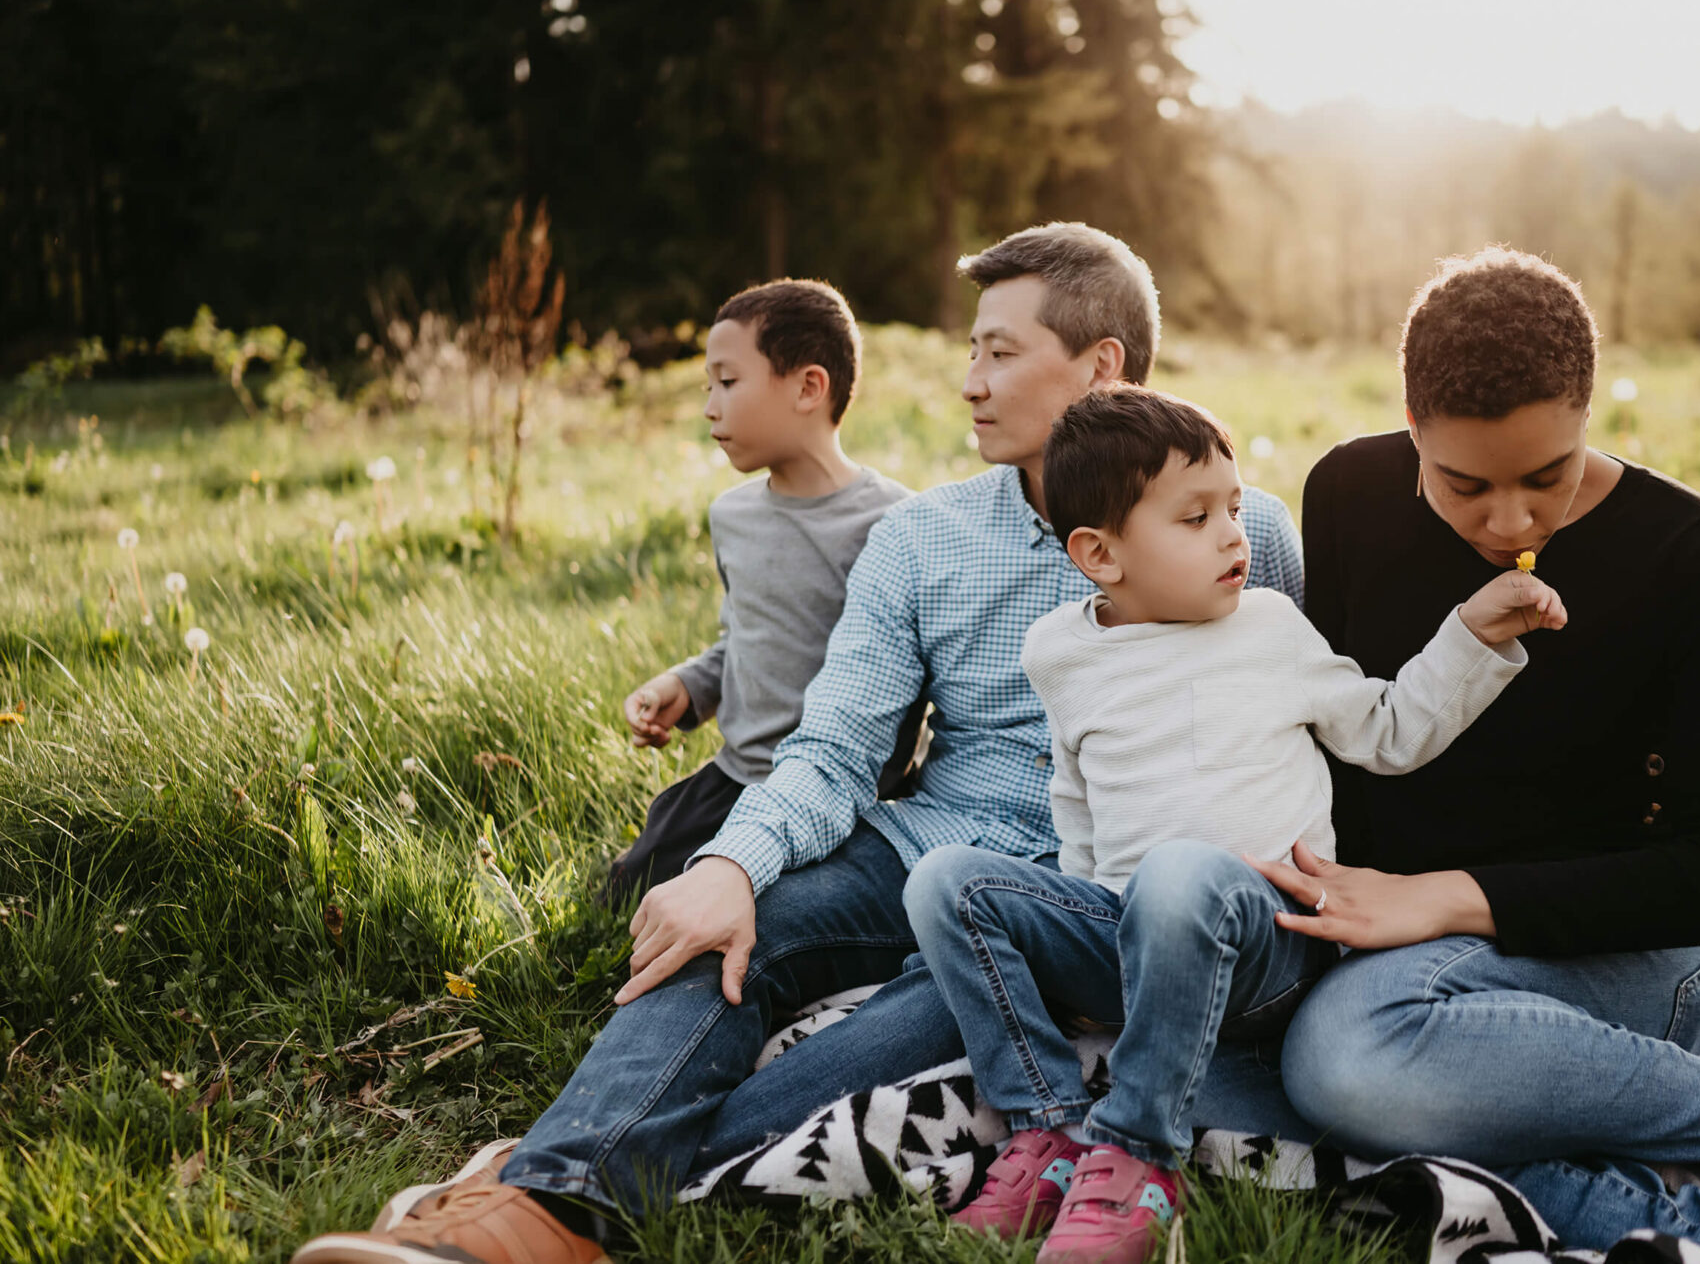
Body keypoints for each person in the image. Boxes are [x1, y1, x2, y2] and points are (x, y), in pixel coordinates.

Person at [288, 223, 1305, 1264]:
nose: (969, 382)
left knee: (898, 1034)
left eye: (999, 352)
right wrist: (730, 864)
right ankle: (544, 1211)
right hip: (928, 848)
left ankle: (538, 1185)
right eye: (970, 351)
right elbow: (833, 746)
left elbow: (1306, 719)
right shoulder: (922, 539)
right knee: (722, 933)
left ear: (1101, 366)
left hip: (1103, 894)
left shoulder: (1245, 530)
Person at [1262, 247, 1700, 1264]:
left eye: (1545, 476)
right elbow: (1346, 739)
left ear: (1586, 413)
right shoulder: (1347, 490)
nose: (1510, 522)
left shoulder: (1699, 558)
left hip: (1638, 944)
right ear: (1411, 425)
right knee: (1220, 1056)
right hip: (1393, 941)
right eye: (1464, 482)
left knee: (1341, 1060)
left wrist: (1448, 897)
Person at [904, 384, 1561, 1264]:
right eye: (1196, 517)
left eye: (1235, 509)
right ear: (1099, 554)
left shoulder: (1270, 628)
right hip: (1130, 934)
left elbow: (1390, 729)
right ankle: (1051, 1130)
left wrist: (1472, 635)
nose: (1233, 536)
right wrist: (1077, 907)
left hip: (1270, 942)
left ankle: (1136, 1153)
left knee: (1181, 873)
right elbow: (1077, 800)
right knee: (944, 878)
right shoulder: (1059, 650)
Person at [600, 279, 912, 903]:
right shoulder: (732, 517)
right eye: (706, 386)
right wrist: (686, 688)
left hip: (847, 794)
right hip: (736, 779)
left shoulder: (896, 524)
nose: (710, 406)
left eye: (728, 381)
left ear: (808, 387)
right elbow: (746, 637)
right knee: (626, 894)